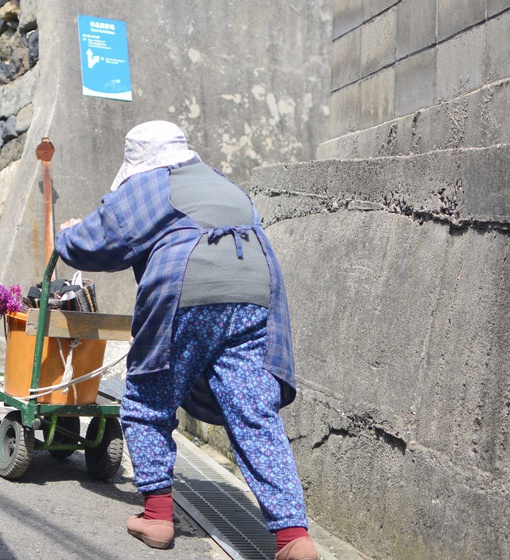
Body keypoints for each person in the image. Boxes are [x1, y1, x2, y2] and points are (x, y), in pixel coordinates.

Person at [55, 121, 318, 560]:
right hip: (257, 286)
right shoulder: (221, 182)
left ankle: (157, 515)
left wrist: (66, 235)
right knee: (254, 412)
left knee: (149, 394)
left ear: (139, 162)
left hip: (189, 285)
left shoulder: (150, 185)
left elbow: (97, 240)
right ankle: (294, 538)